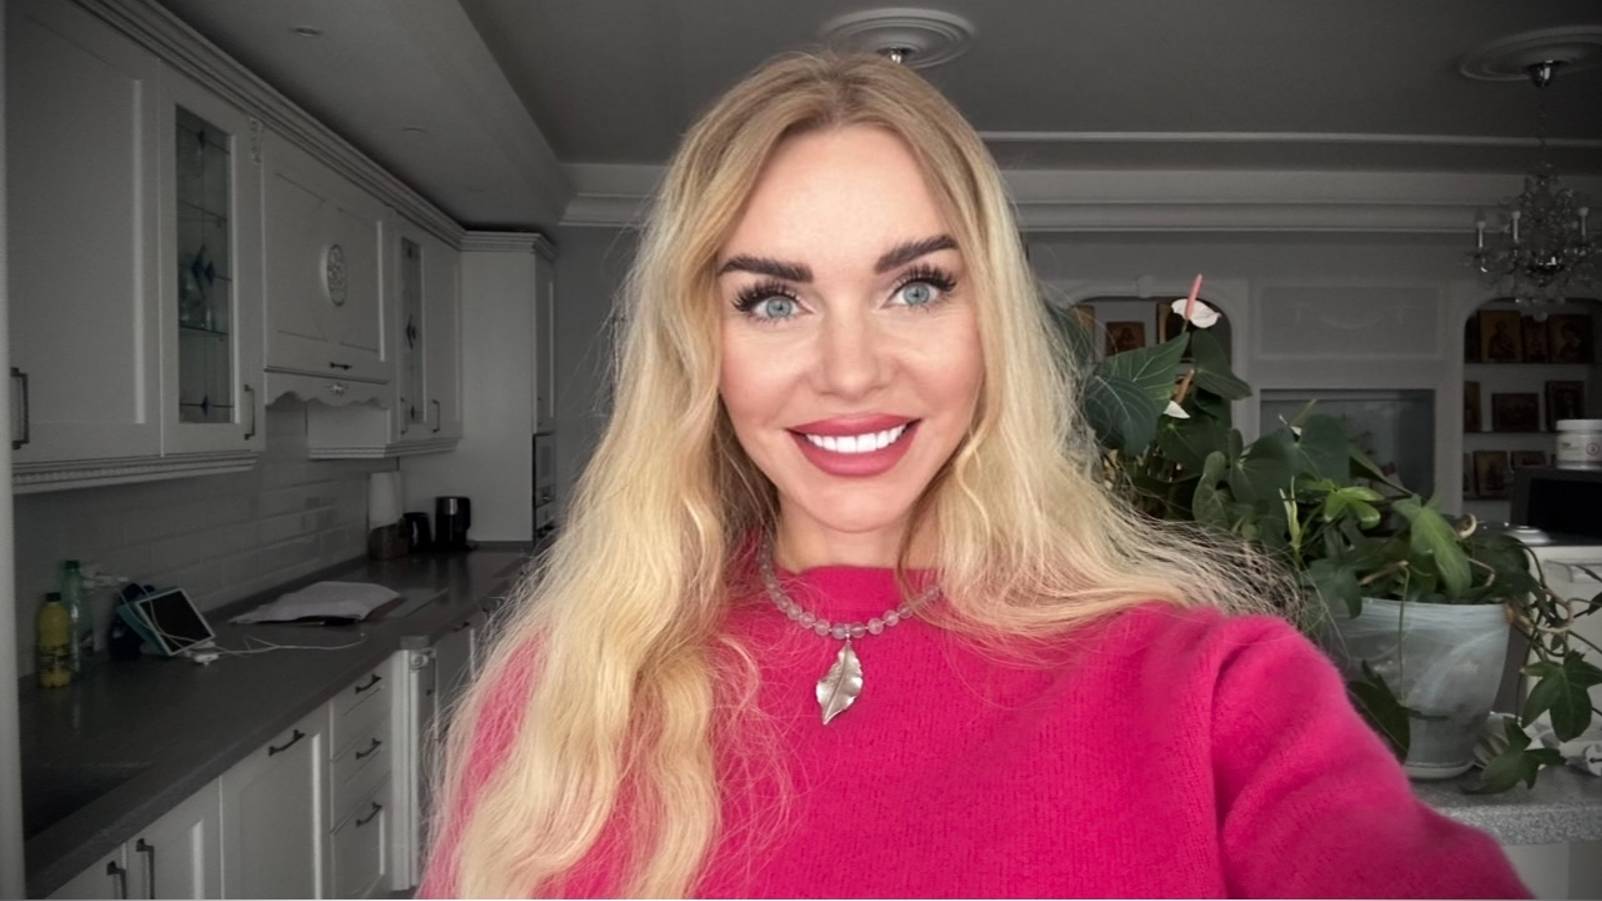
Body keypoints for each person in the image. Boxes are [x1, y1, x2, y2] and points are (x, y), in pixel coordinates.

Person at [420, 52, 1529, 899]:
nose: (851, 369)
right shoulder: (570, 697)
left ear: (990, 320)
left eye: (916, 288)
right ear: (697, 350)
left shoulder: (1218, 696)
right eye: (774, 299)